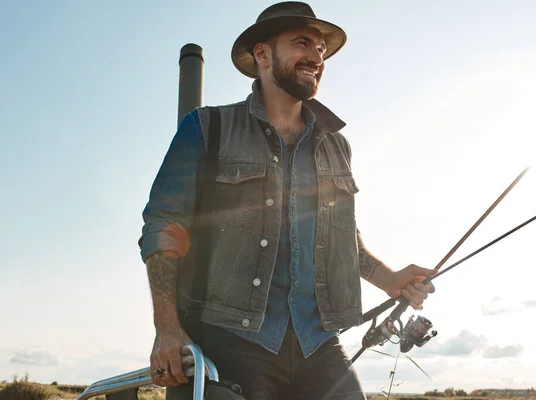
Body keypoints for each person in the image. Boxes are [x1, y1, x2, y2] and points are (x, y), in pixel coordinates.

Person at [138, 2, 436, 399]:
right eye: (302, 43)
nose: (316, 57)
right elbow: (164, 226)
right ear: (263, 54)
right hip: (232, 340)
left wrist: (390, 280)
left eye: (321, 50)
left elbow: (343, 235)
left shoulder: (336, 145)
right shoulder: (207, 128)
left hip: (318, 343)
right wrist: (168, 328)